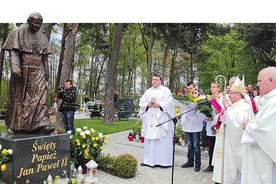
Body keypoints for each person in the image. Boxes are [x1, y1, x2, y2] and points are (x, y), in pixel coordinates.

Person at [2, 12, 54, 134]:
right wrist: (15, 68)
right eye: (35, 23)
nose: (38, 26)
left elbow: (45, 57)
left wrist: (46, 72)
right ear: (28, 21)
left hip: (38, 70)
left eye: (40, 23)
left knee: (42, 98)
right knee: (19, 99)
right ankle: (13, 125)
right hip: (23, 70)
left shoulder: (42, 37)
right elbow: (13, 52)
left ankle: (42, 124)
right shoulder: (18, 32)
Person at [241, 67, 276, 184]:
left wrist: (248, 126)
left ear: (271, 80)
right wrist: (252, 124)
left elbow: (266, 131)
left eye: (260, 81)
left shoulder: (274, 101)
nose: (257, 84)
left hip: (266, 160)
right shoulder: (269, 99)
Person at [218, 75, 254, 183]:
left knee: (239, 172)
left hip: (239, 144)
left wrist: (227, 107)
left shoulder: (244, 106)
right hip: (230, 141)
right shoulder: (235, 105)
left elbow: (237, 122)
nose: (229, 95)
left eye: (231, 93)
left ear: (238, 94)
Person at [139, 74, 176, 167]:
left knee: (162, 141)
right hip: (150, 119)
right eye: (153, 79)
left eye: (157, 80)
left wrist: (159, 105)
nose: (155, 81)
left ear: (160, 81)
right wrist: (147, 104)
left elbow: (170, 102)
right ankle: (149, 160)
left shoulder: (166, 91)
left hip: (161, 119)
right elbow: (141, 102)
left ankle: (164, 162)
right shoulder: (148, 92)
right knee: (150, 141)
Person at [180, 82, 205, 172]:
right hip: (187, 123)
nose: (189, 90)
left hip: (195, 124)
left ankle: (198, 163)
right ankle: (190, 161)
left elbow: (201, 111)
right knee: (189, 144)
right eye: (188, 89)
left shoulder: (199, 97)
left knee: (196, 144)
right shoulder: (185, 97)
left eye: (191, 88)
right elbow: (181, 108)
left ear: (195, 88)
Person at [203, 82, 223, 173]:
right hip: (210, 124)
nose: (212, 88)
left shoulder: (222, 98)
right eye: (211, 87)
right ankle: (211, 164)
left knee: (218, 146)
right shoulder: (209, 99)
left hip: (219, 124)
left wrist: (217, 111)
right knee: (211, 146)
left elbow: (223, 109)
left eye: (214, 87)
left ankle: (218, 165)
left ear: (218, 88)